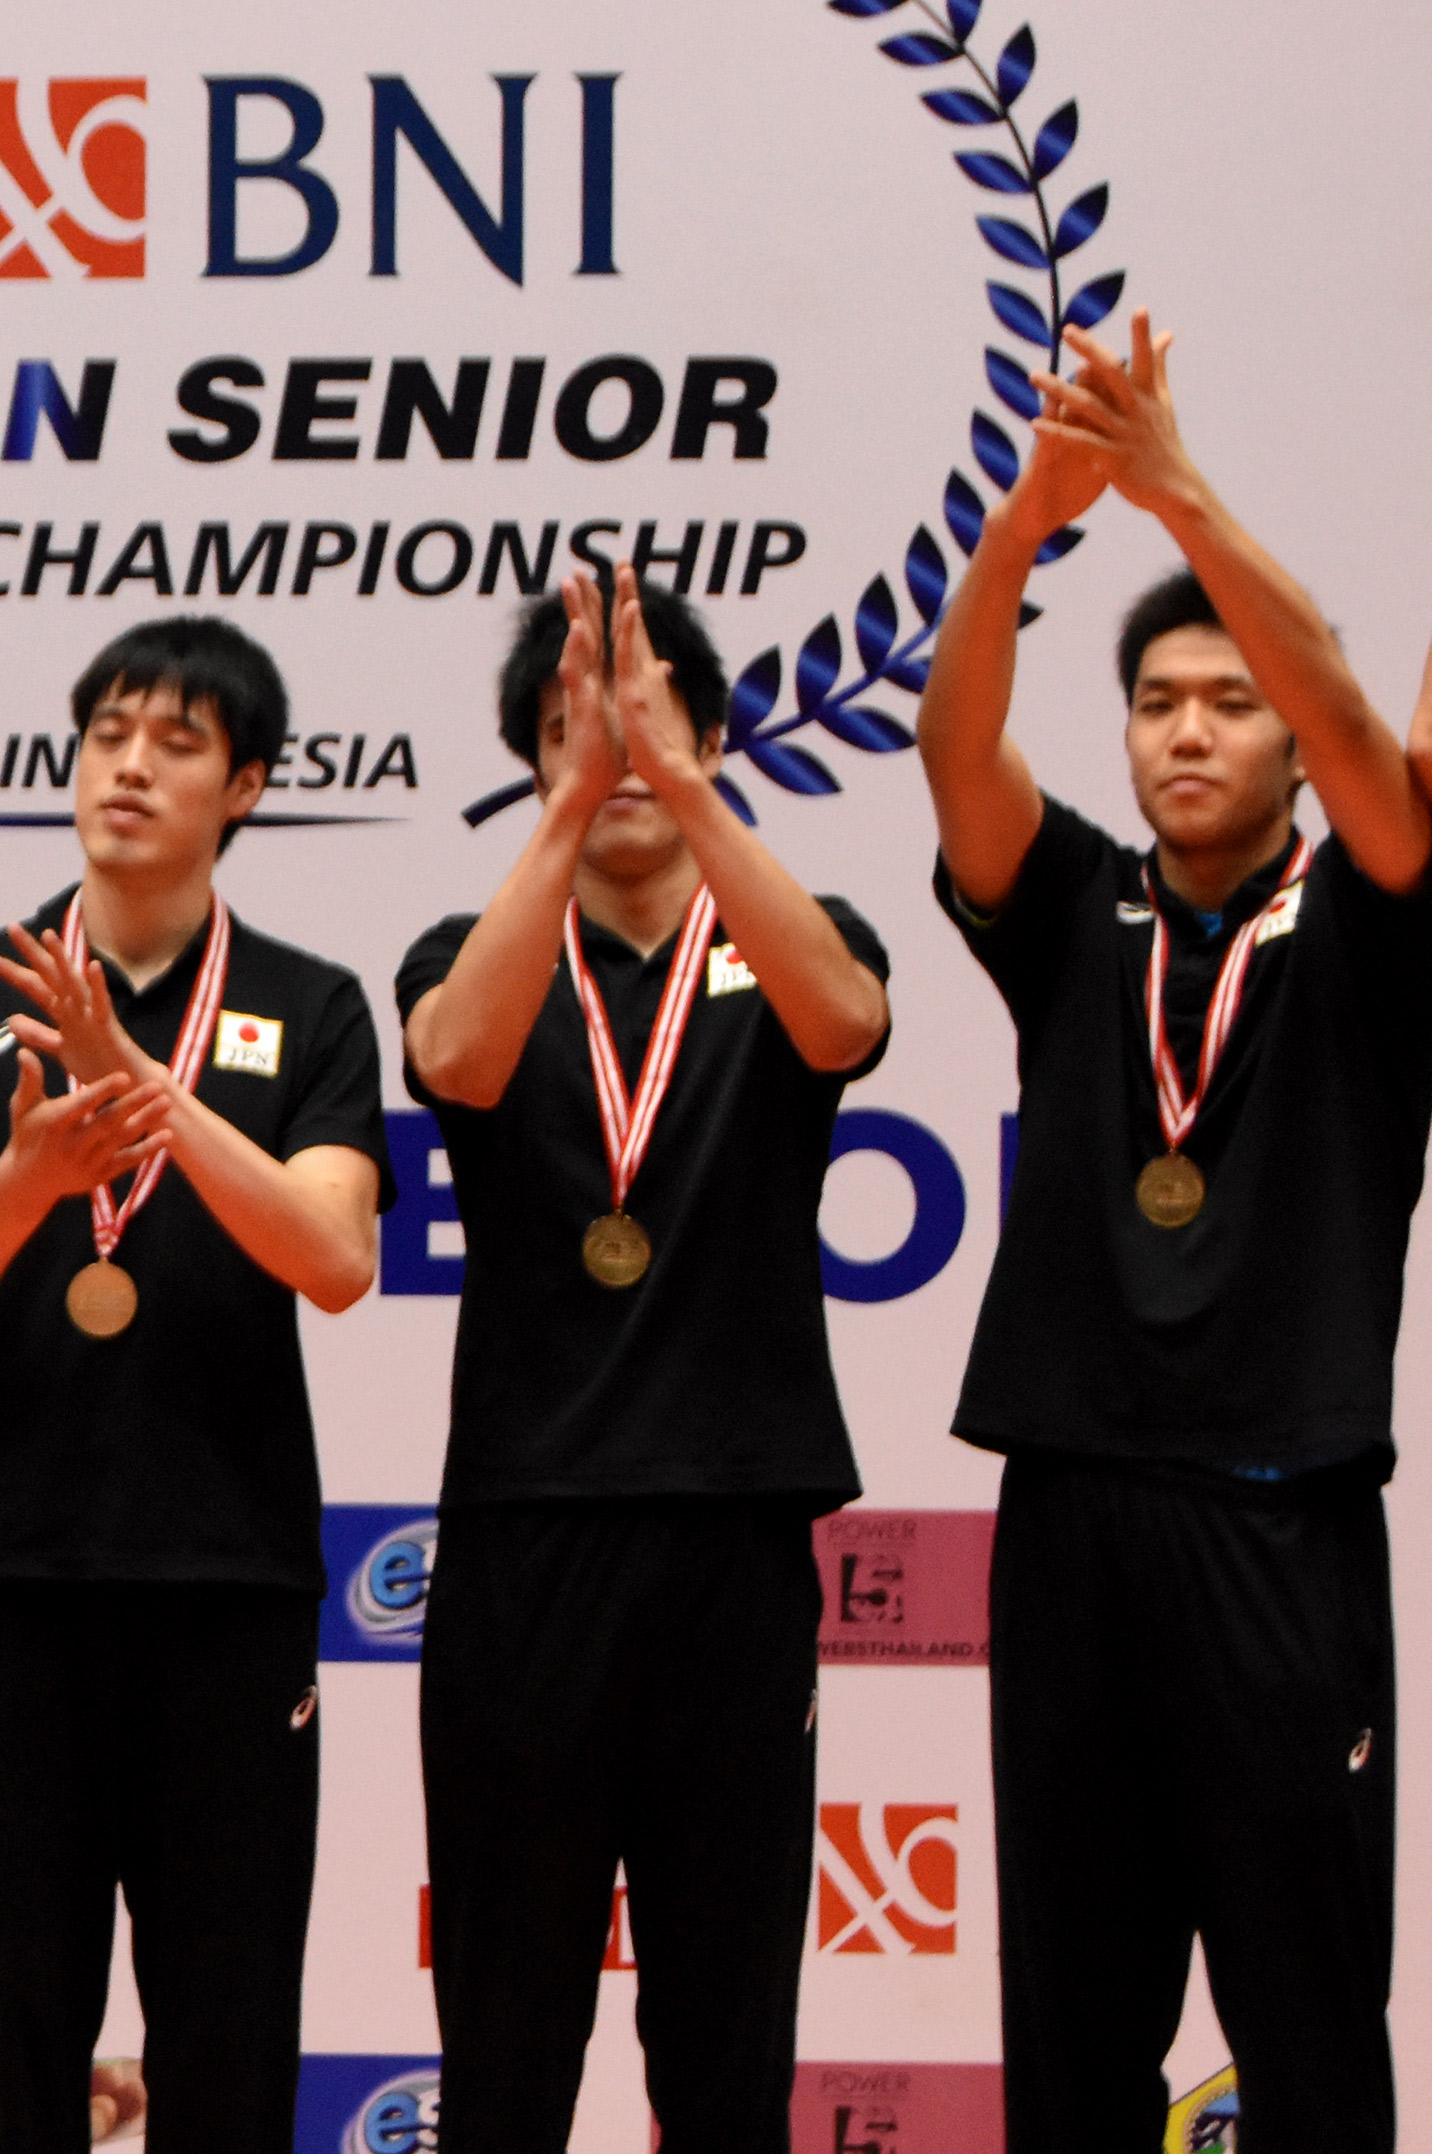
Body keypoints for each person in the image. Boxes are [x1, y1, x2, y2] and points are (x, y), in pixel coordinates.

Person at [916, 312, 1429, 2154]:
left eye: (1231, 700)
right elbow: (954, 743)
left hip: (1278, 1520)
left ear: (1292, 735)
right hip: (1068, 1513)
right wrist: (1023, 528)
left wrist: (1179, 495)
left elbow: (1377, 743)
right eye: (1156, 701)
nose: (1189, 729)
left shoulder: (1378, 917)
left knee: (1307, 2029)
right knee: (1070, 2024)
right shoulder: (1073, 910)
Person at [0, 616, 393, 2154]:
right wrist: (27, 1173)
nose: (130, 768)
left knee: (229, 2029)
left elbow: (337, 1254)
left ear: (249, 784)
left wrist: (149, 1088)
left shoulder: (313, 998)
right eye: (108, 734)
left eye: (176, 741)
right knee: (17, 2028)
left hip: (230, 1587)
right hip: (15, 1585)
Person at [395, 567, 890, 2151]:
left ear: (717, 740)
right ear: (529, 761)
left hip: (735, 1535)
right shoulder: (461, 952)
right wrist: (578, 788)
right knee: (507, 2031)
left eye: (649, 726)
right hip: (524, 1540)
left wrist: (671, 769)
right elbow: (455, 1060)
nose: (609, 761)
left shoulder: (794, 938)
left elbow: (848, 1023)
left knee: (727, 2031)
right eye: (563, 734)